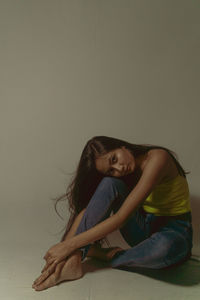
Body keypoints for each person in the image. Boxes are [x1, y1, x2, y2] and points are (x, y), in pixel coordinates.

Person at [32, 136, 193, 291]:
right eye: (111, 170)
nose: (119, 169)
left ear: (121, 146)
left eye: (114, 159)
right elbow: (87, 211)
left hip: (174, 231)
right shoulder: (124, 175)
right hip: (143, 228)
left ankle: (107, 255)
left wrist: (69, 245)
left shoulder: (158, 158)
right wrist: (67, 256)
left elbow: (121, 218)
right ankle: (74, 263)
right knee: (109, 183)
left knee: (165, 248)